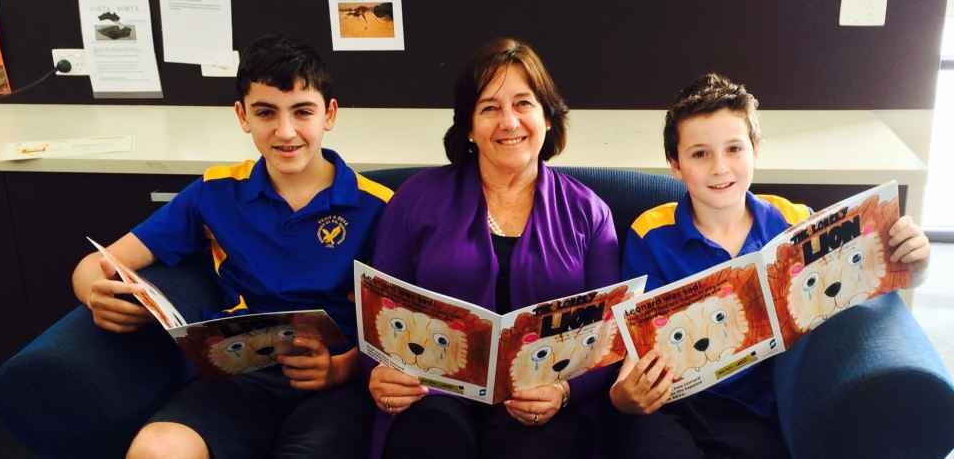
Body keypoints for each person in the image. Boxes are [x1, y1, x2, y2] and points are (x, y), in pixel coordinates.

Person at [71, 34, 392, 459]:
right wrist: (93, 293)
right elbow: (96, 264)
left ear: (329, 114)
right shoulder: (214, 192)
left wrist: (340, 369)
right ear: (242, 115)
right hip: (240, 375)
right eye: (265, 112)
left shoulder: (380, 206)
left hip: (334, 385)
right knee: (156, 448)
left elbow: (399, 326)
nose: (285, 132)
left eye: (302, 111)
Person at [610, 73, 931, 458]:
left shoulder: (794, 222)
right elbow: (635, 343)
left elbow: (859, 289)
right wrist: (622, 396)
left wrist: (915, 265)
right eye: (700, 154)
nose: (720, 168)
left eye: (734, 149)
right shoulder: (650, 234)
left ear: (755, 150)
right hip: (674, 407)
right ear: (675, 165)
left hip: (760, 408)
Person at [366, 37, 620, 459]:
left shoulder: (590, 213)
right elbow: (375, 316)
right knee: (431, 438)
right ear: (468, 126)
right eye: (489, 108)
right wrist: (378, 373)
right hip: (432, 395)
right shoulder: (415, 199)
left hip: (543, 404)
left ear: (547, 117)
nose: (509, 121)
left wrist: (564, 391)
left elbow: (609, 339)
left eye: (523, 104)